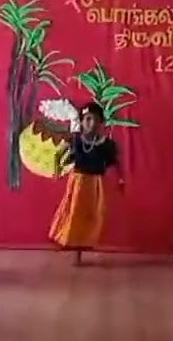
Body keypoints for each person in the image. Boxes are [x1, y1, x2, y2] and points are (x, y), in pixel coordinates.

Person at [49, 102, 124, 265]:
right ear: (82, 122)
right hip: (78, 183)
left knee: (93, 215)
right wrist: (57, 170)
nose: (92, 123)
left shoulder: (106, 144)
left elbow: (116, 163)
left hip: (96, 184)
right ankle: (74, 246)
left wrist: (120, 180)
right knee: (75, 213)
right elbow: (58, 154)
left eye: (96, 120)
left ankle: (84, 243)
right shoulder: (76, 140)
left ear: (101, 123)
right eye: (88, 119)